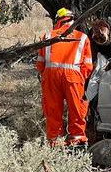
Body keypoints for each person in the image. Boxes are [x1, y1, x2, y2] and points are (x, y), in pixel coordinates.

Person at [36, 8, 93, 147]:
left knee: (53, 109)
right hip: (74, 77)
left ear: (58, 20)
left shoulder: (48, 36)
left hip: (51, 75)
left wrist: (48, 75)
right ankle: (77, 140)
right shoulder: (83, 37)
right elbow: (88, 66)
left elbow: (40, 64)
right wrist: (80, 78)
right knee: (76, 108)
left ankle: (55, 141)